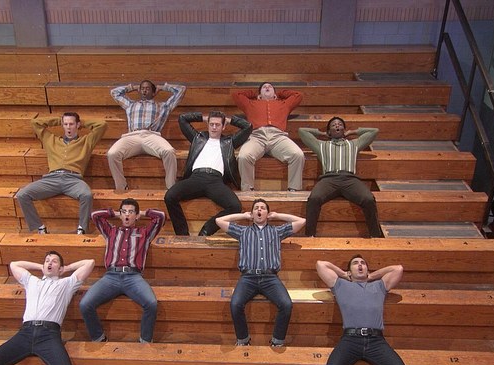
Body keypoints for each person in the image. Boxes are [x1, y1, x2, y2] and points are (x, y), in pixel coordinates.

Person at [216, 199, 305, 346]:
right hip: (248, 278)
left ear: (267, 213)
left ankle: (277, 341)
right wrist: (243, 216)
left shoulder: (277, 231)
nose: (259, 210)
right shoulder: (242, 231)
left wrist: (277, 215)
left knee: (286, 305)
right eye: (256, 208)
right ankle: (243, 340)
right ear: (252, 213)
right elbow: (219, 221)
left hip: (270, 278)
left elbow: (302, 221)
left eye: (263, 208)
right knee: (235, 304)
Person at [79, 198, 165, 343]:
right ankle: (98, 338)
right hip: (110, 277)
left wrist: (143, 213)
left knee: (151, 304)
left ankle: (145, 341)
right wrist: (114, 213)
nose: (127, 215)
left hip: (133, 277)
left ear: (136, 216)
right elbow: (94, 215)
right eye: (124, 212)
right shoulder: (110, 231)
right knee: (84, 304)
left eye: (131, 212)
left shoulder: (144, 232)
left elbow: (161, 216)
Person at [164, 110, 252, 236]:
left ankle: (206, 230)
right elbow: (183, 118)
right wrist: (204, 118)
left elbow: (248, 127)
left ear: (223, 126)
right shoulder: (197, 138)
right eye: (211, 124)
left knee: (235, 206)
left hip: (215, 181)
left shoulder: (229, 142)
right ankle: (182, 234)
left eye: (217, 124)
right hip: (195, 178)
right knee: (169, 196)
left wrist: (229, 119)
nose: (214, 127)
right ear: (208, 124)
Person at [18, 112, 107, 235]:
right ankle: (39, 227)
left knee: (86, 195)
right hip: (51, 179)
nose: (68, 127)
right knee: (22, 194)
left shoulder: (86, 141)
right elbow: (35, 123)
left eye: (71, 124)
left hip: (73, 179)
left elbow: (102, 125)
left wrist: (82, 123)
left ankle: (82, 229)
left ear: (77, 125)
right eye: (65, 124)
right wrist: (58, 120)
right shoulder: (51, 139)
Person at [299, 117, 383, 238]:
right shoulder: (321, 145)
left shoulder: (354, 144)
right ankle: (310, 236)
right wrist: (322, 133)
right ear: (329, 131)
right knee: (314, 199)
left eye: (340, 124)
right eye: (333, 125)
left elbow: (374, 131)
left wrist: (352, 132)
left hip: (350, 179)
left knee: (368, 199)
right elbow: (302, 131)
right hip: (329, 179)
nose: (337, 126)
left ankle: (375, 236)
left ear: (344, 129)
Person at [108, 80, 186, 191]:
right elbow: (114, 92)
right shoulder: (130, 104)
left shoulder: (163, 106)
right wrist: (133, 87)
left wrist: (162, 87)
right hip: (132, 136)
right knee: (112, 154)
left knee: (169, 151)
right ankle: (121, 187)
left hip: (152, 135)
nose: (144, 91)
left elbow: (181, 90)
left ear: (154, 92)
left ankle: (171, 188)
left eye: (148, 88)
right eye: (142, 88)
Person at [231, 82, 305, 191]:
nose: (267, 87)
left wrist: (279, 94)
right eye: (263, 87)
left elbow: (298, 95)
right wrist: (254, 94)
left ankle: (294, 189)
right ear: (259, 94)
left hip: (278, 137)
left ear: (275, 94)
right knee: (243, 156)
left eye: (270, 87)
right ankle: (247, 190)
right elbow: (236, 95)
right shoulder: (250, 104)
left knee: (298, 155)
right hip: (256, 136)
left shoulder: (284, 103)